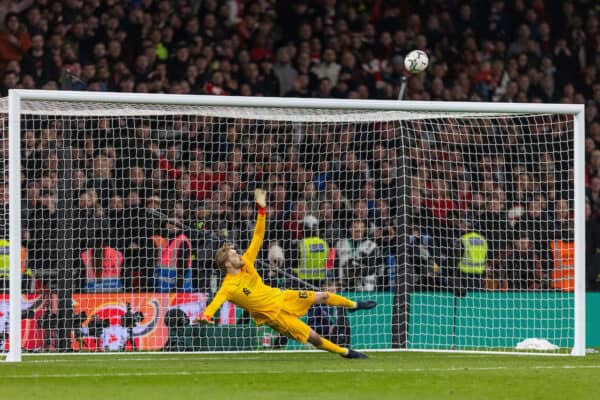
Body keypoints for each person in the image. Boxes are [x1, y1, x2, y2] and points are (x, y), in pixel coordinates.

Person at [196, 189, 376, 359]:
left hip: (283, 296)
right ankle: (345, 352)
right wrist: (205, 317)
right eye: (234, 254)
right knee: (313, 337)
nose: (238, 254)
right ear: (227, 263)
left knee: (323, 295)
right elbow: (215, 304)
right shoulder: (228, 287)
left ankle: (353, 304)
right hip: (275, 317)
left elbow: (258, 236)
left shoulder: (247, 262)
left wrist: (261, 210)